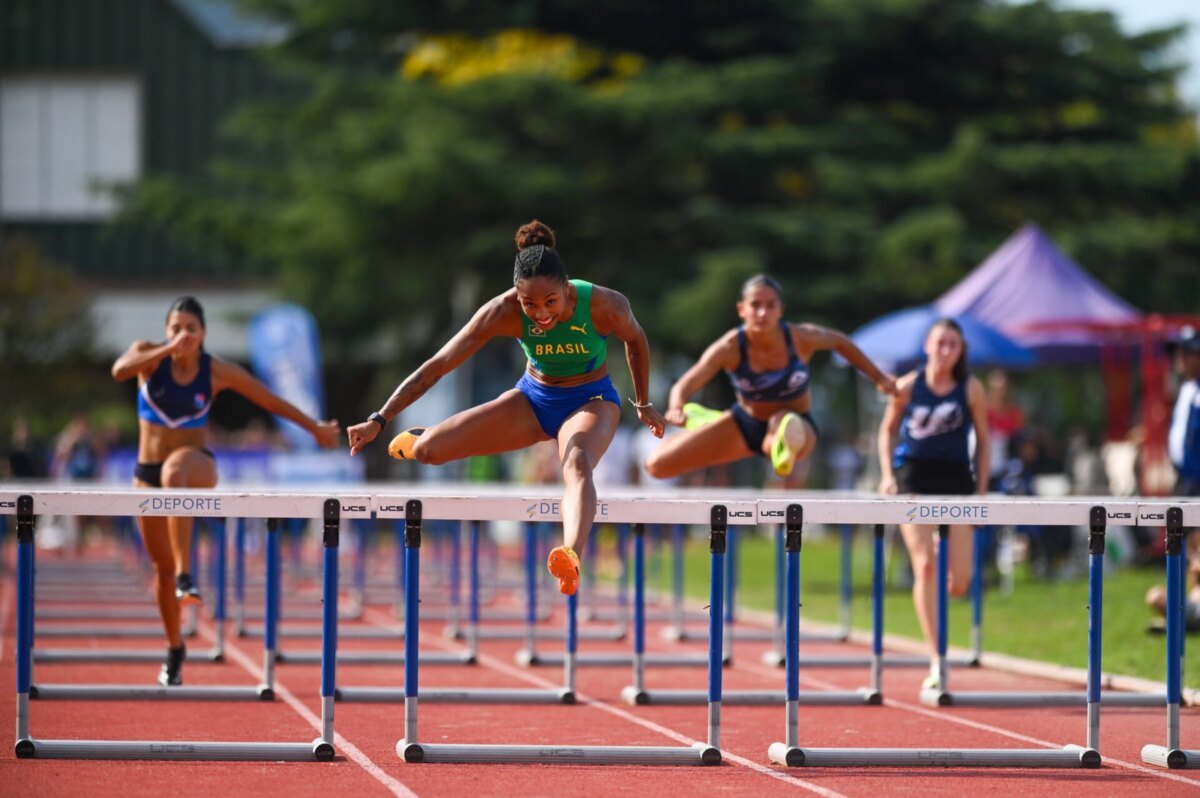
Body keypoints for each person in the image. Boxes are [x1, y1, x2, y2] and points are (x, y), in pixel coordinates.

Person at [346, 220, 666, 596]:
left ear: (566, 288)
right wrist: (380, 418)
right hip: (532, 400)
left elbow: (636, 341)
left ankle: (571, 556)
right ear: (517, 296)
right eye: (529, 304)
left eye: (550, 302)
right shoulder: (502, 311)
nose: (541, 314)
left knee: (576, 462)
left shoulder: (605, 305)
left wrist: (643, 403)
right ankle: (421, 440)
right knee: (431, 452)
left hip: (590, 401)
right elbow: (439, 364)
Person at [112, 296, 340, 686]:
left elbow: (270, 400)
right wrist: (168, 349)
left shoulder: (215, 371)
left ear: (203, 334)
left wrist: (315, 428)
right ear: (166, 330)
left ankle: (188, 574)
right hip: (145, 473)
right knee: (159, 572)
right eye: (176, 328)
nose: (183, 334)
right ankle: (175, 646)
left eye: (191, 329)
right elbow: (118, 371)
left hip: (197, 464)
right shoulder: (148, 356)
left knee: (176, 470)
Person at [643, 274, 895, 481]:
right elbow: (686, 383)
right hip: (746, 424)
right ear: (742, 309)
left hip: (800, 426)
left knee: (785, 424)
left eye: (770, 305)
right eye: (755, 305)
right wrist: (676, 407)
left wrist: (879, 378)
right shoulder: (730, 347)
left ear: (780, 310)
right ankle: (715, 423)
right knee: (656, 466)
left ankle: (776, 440)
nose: (763, 312)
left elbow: (840, 342)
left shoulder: (800, 338)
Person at [877, 318, 989, 689]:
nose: (944, 351)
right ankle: (937, 658)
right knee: (924, 568)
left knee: (959, 584)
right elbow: (887, 430)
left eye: (952, 345)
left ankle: (944, 550)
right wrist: (888, 475)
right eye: (939, 343)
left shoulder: (970, 388)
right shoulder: (908, 386)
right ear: (926, 345)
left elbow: (984, 442)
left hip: (956, 478)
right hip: (913, 476)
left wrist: (982, 490)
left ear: (960, 351)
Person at [1146, 325, 1200, 632]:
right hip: (1184, 480)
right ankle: (1179, 608)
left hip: (1198, 480)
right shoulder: (1186, 388)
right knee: (1177, 545)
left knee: (1196, 545)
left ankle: (1188, 607)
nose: (1178, 358)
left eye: (1186, 353)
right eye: (1177, 353)